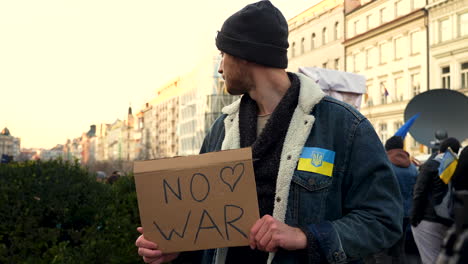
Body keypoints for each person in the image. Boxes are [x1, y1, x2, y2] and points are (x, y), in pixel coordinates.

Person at [136, 1, 403, 263]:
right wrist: (175, 251)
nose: (220, 68)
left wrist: (305, 236)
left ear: (245, 55)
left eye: (224, 55)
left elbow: (383, 220)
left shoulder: (344, 126)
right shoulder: (221, 130)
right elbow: (207, 231)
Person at [365, 136, 418, 264]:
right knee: (399, 251)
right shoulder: (412, 167)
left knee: (380, 251)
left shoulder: (385, 165)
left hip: (386, 214)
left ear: (387, 148)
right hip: (406, 214)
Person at [411, 137, 461, 264]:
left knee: (430, 258)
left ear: (440, 150)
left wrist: (414, 217)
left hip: (428, 218)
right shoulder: (457, 165)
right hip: (450, 219)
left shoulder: (431, 165)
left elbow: (419, 192)